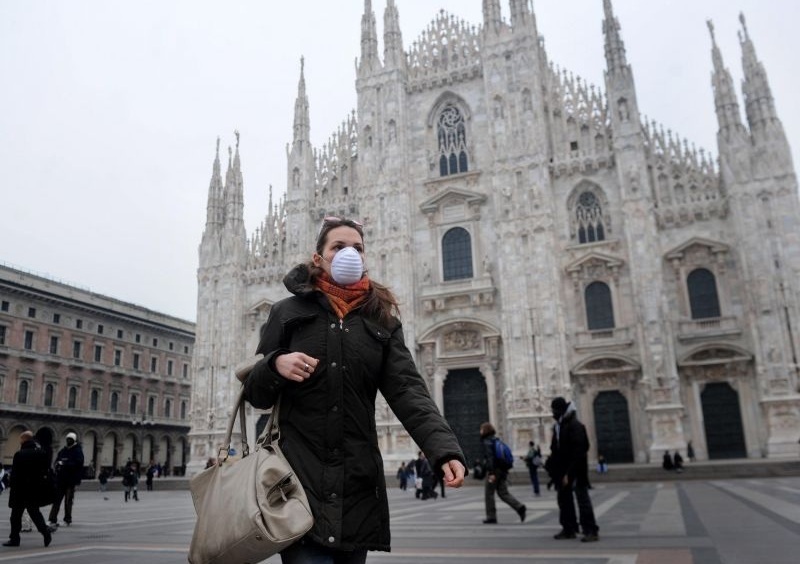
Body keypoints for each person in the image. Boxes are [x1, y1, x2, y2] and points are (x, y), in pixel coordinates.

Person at [243, 216, 466, 563]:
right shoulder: (287, 312)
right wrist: (275, 365)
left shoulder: (381, 320)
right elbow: (256, 393)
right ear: (318, 257)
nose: (350, 254)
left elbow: (408, 391)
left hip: (357, 488)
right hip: (298, 485)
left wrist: (444, 450)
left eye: (358, 248)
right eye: (339, 247)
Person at [549, 397, 599, 542]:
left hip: (576, 469)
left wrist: (569, 472)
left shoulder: (575, 426)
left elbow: (581, 449)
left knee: (582, 499)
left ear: (561, 410)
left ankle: (590, 530)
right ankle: (569, 528)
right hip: (563, 469)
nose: (553, 413)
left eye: (554, 410)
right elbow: (556, 449)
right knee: (564, 499)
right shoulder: (559, 426)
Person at [3, 430, 52, 548]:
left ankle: (14, 539)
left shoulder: (20, 454)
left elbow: (15, 475)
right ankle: (46, 533)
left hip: (20, 490)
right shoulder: (41, 453)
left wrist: (11, 486)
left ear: (24, 439)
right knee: (35, 513)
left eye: (20, 439)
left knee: (15, 516)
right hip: (34, 489)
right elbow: (46, 471)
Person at [479, 422, 526, 524]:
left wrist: (491, 473)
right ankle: (519, 507)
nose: (480, 431)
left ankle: (491, 517)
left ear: (485, 430)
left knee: (489, 493)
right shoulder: (496, 440)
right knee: (503, 492)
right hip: (502, 470)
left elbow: (490, 458)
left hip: (494, 471)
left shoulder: (487, 441)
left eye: (481, 429)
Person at [48, 432, 84, 528]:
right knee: (57, 500)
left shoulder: (77, 451)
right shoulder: (63, 450)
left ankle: (67, 519)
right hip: (61, 479)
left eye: (70, 439)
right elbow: (57, 460)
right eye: (67, 439)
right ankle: (52, 519)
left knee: (68, 501)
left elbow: (78, 463)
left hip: (71, 481)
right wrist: (57, 464)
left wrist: (65, 463)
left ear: (74, 440)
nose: (68, 441)